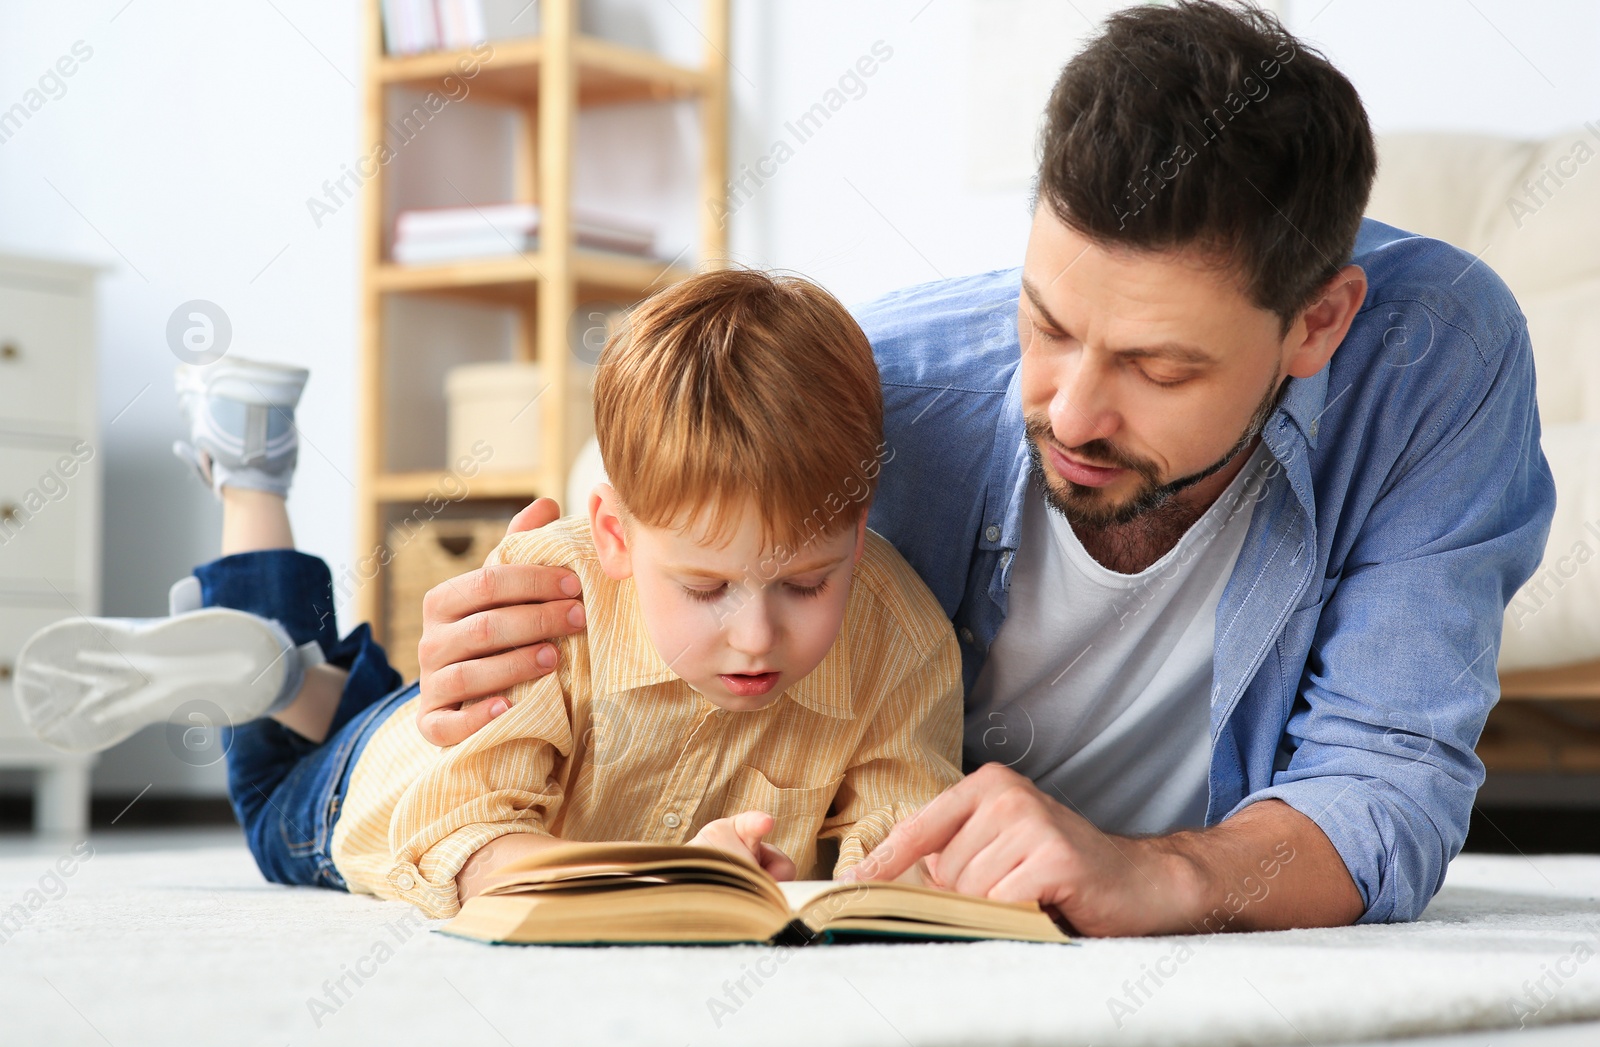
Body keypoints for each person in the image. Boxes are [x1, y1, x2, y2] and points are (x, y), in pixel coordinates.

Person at [413, 1, 1556, 935]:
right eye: (1046, 321)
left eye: (1157, 367)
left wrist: (1161, 873)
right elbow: (672, 546)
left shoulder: (1430, 356)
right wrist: (515, 627)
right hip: (590, 755)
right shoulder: (900, 385)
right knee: (339, 779)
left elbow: (1388, 783)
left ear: (1316, 324)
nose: (1065, 409)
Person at [15, 269, 963, 918]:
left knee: (355, 692)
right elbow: (477, 852)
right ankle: (254, 503)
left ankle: (265, 544)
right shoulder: (545, 595)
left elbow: (900, 867)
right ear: (612, 537)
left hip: (429, 716)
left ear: (860, 517)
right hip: (382, 781)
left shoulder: (903, 637)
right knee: (271, 796)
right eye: (707, 587)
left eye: (807, 581)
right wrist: (670, 880)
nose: (756, 633)